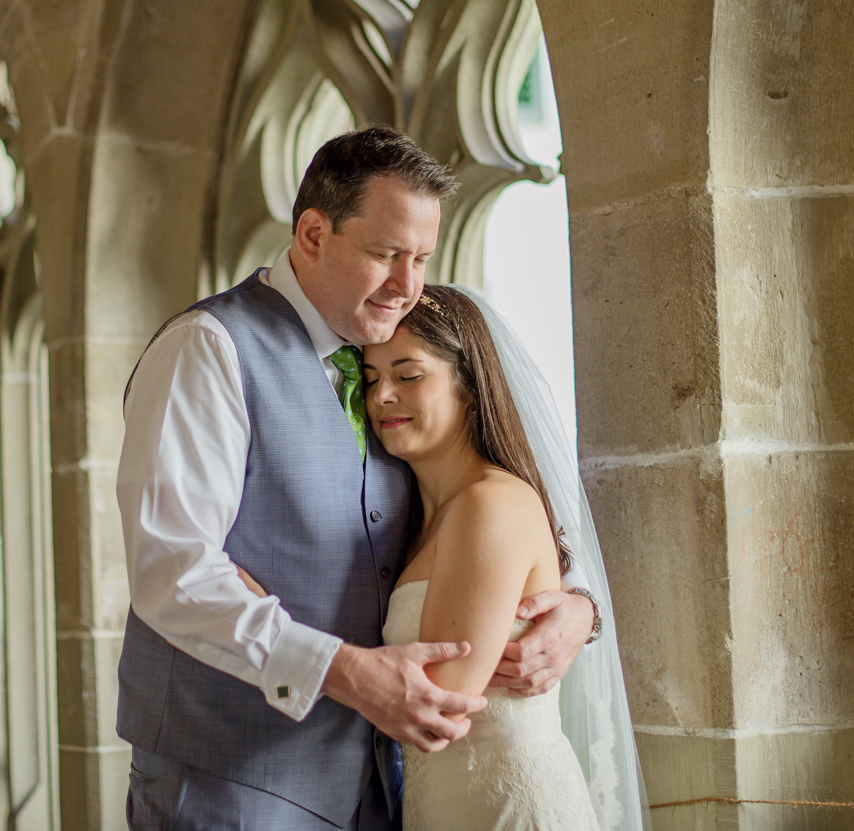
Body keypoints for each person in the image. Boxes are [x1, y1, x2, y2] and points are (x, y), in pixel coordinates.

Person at [115, 126, 598, 830]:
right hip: (229, 785)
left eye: (423, 259)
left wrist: (578, 604)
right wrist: (343, 670)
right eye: (385, 254)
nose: (408, 286)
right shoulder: (208, 350)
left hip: (377, 793)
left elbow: (484, 503)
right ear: (314, 233)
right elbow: (172, 567)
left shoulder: (389, 379)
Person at [364, 285, 650, 830]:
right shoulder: (421, 518)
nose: (382, 397)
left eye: (409, 375)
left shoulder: (489, 502)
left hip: (511, 809)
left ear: (468, 386)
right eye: (372, 378)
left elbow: (441, 703)